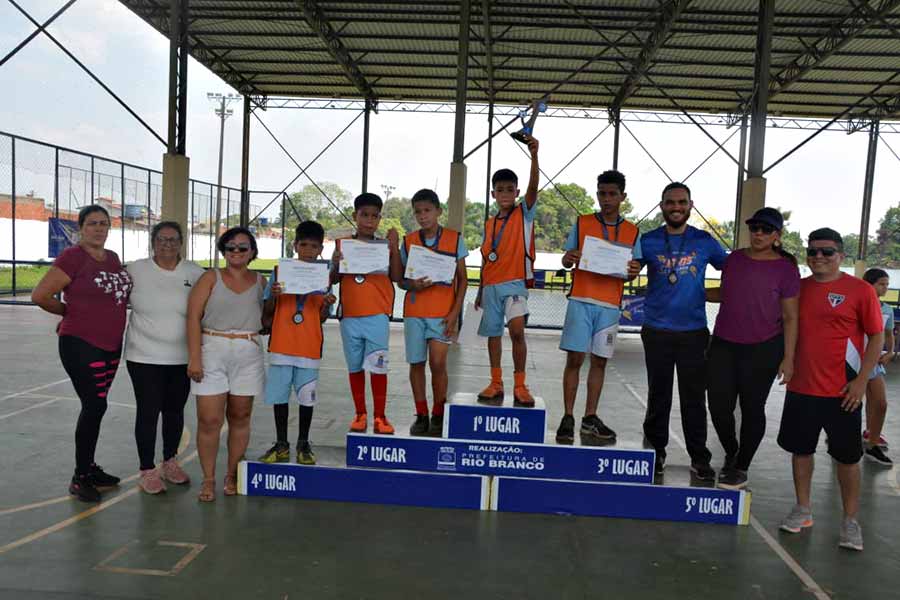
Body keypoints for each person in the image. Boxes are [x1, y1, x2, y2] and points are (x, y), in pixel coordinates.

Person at [777, 228, 883, 552]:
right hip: (801, 387)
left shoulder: (861, 291)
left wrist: (861, 381)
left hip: (843, 392)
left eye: (827, 251)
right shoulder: (797, 288)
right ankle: (803, 509)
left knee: (847, 459)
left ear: (841, 255)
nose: (819, 257)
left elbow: (876, 336)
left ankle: (850, 521)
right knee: (801, 451)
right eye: (813, 252)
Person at [31, 204, 133, 502]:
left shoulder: (112, 258)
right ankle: (80, 477)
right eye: (92, 223)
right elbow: (40, 295)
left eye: (104, 223)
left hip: (111, 344)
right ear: (81, 228)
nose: (99, 229)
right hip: (81, 344)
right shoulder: (72, 257)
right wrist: (69, 313)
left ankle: (89, 467)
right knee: (94, 405)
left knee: (97, 406)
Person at [636, 182, 727, 480]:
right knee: (658, 395)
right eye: (670, 202)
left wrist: (719, 294)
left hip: (694, 332)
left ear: (690, 205)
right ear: (662, 205)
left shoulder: (704, 241)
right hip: (656, 330)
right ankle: (655, 452)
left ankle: (699, 457)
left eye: (681, 202)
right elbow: (627, 269)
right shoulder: (648, 240)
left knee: (694, 398)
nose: (676, 207)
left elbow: (733, 269)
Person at [706, 208, 800, 490]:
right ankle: (732, 451)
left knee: (752, 407)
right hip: (724, 343)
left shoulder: (786, 269)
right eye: (754, 228)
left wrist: (789, 358)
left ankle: (741, 466)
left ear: (777, 235)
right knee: (718, 406)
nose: (758, 233)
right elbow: (726, 293)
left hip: (764, 347)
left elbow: (791, 316)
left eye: (766, 229)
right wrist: (692, 292)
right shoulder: (734, 259)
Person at [556, 170, 642, 444]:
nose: (607, 199)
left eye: (612, 194)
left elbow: (632, 272)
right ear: (597, 195)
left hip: (609, 306)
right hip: (581, 299)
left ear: (622, 197)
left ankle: (589, 417)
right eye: (602, 194)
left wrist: (633, 271)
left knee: (600, 362)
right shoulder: (582, 223)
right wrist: (568, 258)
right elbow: (566, 260)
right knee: (574, 360)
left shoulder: (632, 231)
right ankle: (568, 417)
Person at [124, 221, 204, 494]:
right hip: (143, 356)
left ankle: (170, 461)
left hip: (181, 358)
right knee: (148, 412)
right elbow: (107, 299)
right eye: (161, 239)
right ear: (153, 243)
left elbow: (211, 307)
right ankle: (147, 469)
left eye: (172, 240)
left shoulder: (195, 272)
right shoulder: (135, 270)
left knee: (174, 412)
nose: (167, 244)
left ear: (181, 243)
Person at [187, 227, 265, 502]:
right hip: (213, 348)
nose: (236, 251)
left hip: (248, 349)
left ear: (252, 252)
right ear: (223, 250)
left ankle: (232, 474)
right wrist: (195, 357)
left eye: (243, 247)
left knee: (240, 415)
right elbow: (193, 317)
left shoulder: (262, 282)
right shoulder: (210, 277)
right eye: (231, 247)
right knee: (209, 419)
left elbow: (267, 319)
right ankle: (208, 478)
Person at [390, 189, 468, 436]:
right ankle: (421, 413)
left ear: (438, 211)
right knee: (416, 363)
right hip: (415, 312)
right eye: (418, 212)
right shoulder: (409, 241)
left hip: (442, 314)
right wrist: (412, 284)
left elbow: (463, 280)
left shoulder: (455, 239)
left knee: (438, 363)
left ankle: (438, 412)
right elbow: (399, 279)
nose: (423, 216)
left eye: (427, 211)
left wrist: (455, 313)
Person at [258, 221, 336, 465]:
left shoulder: (323, 276)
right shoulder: (280, 272)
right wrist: (274, 295)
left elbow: (322, 318)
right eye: (304, 245)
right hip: (281, 344)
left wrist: (327, 303)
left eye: (314, 246)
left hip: (309, 346)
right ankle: (281, 443)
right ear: (295, 246)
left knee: (306, 398)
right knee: (280, 397)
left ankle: (304, 443)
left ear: (320, 249)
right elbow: (267, 311)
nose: (308, 250)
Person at [475, 135, 540, 407]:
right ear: (493, 194)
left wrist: (534, 155)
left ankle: (520, 384)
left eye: (510, 189)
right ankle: (496, 382)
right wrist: (479, 290)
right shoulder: (489, 223)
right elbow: (486, 257)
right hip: (490, 286)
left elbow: (534, 186)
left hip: (514, 284)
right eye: (500, 190)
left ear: (516, 192)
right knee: (493, 335)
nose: (505, 194)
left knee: (516, 332)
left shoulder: (524, 213)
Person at [332, 193, 399, 434]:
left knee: (379, 366)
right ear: (355, 216)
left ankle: (380, 416)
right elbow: (333, 279)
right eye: (364, 215)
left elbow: (397, 276)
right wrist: (335, 263)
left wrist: (395, 248)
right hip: (349, 316)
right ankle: (360, 413)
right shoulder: (342, 245)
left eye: (374, 216)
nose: (369, 220)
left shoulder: (384, 247)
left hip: (377, 314)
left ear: (380, 219)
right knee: (354, 366)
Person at [860, 268, 893, 466]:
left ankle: (872, 443)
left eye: (887, 284)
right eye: (881, 284)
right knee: (850, 403)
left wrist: (890, 352)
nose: (885, 288)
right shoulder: (857, 304)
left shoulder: (886, 309)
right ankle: (838, 436)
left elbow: (888, 334)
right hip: (853, 361)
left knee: (880, 403)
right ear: (868, 284)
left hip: (874, 363)